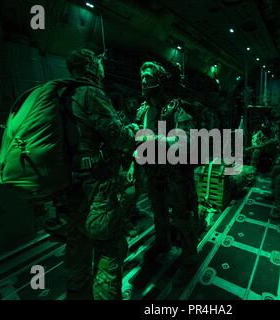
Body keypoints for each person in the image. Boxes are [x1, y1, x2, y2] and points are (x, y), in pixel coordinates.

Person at [57, 48, 138, 300]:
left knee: (77, 243)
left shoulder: (61, 95)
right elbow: (117, 137)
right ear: (92, 67)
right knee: (108, 249)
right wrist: (133, 130)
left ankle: (76, 291)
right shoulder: (91, 93)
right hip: (97, 186)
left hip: (69, 185)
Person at [129, 61, 199, 277]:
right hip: (152, 171)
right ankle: (163, 242)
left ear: (160, 81)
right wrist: (134, 163)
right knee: (158, 212)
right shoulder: (143, 111)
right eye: (142, 77)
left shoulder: (177, 107)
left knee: (181, 215)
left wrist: (156, 138)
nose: (143, 81)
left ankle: (189, 256)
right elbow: (140, 141)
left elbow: (186, 139)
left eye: (148, 77)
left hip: (175, 172)